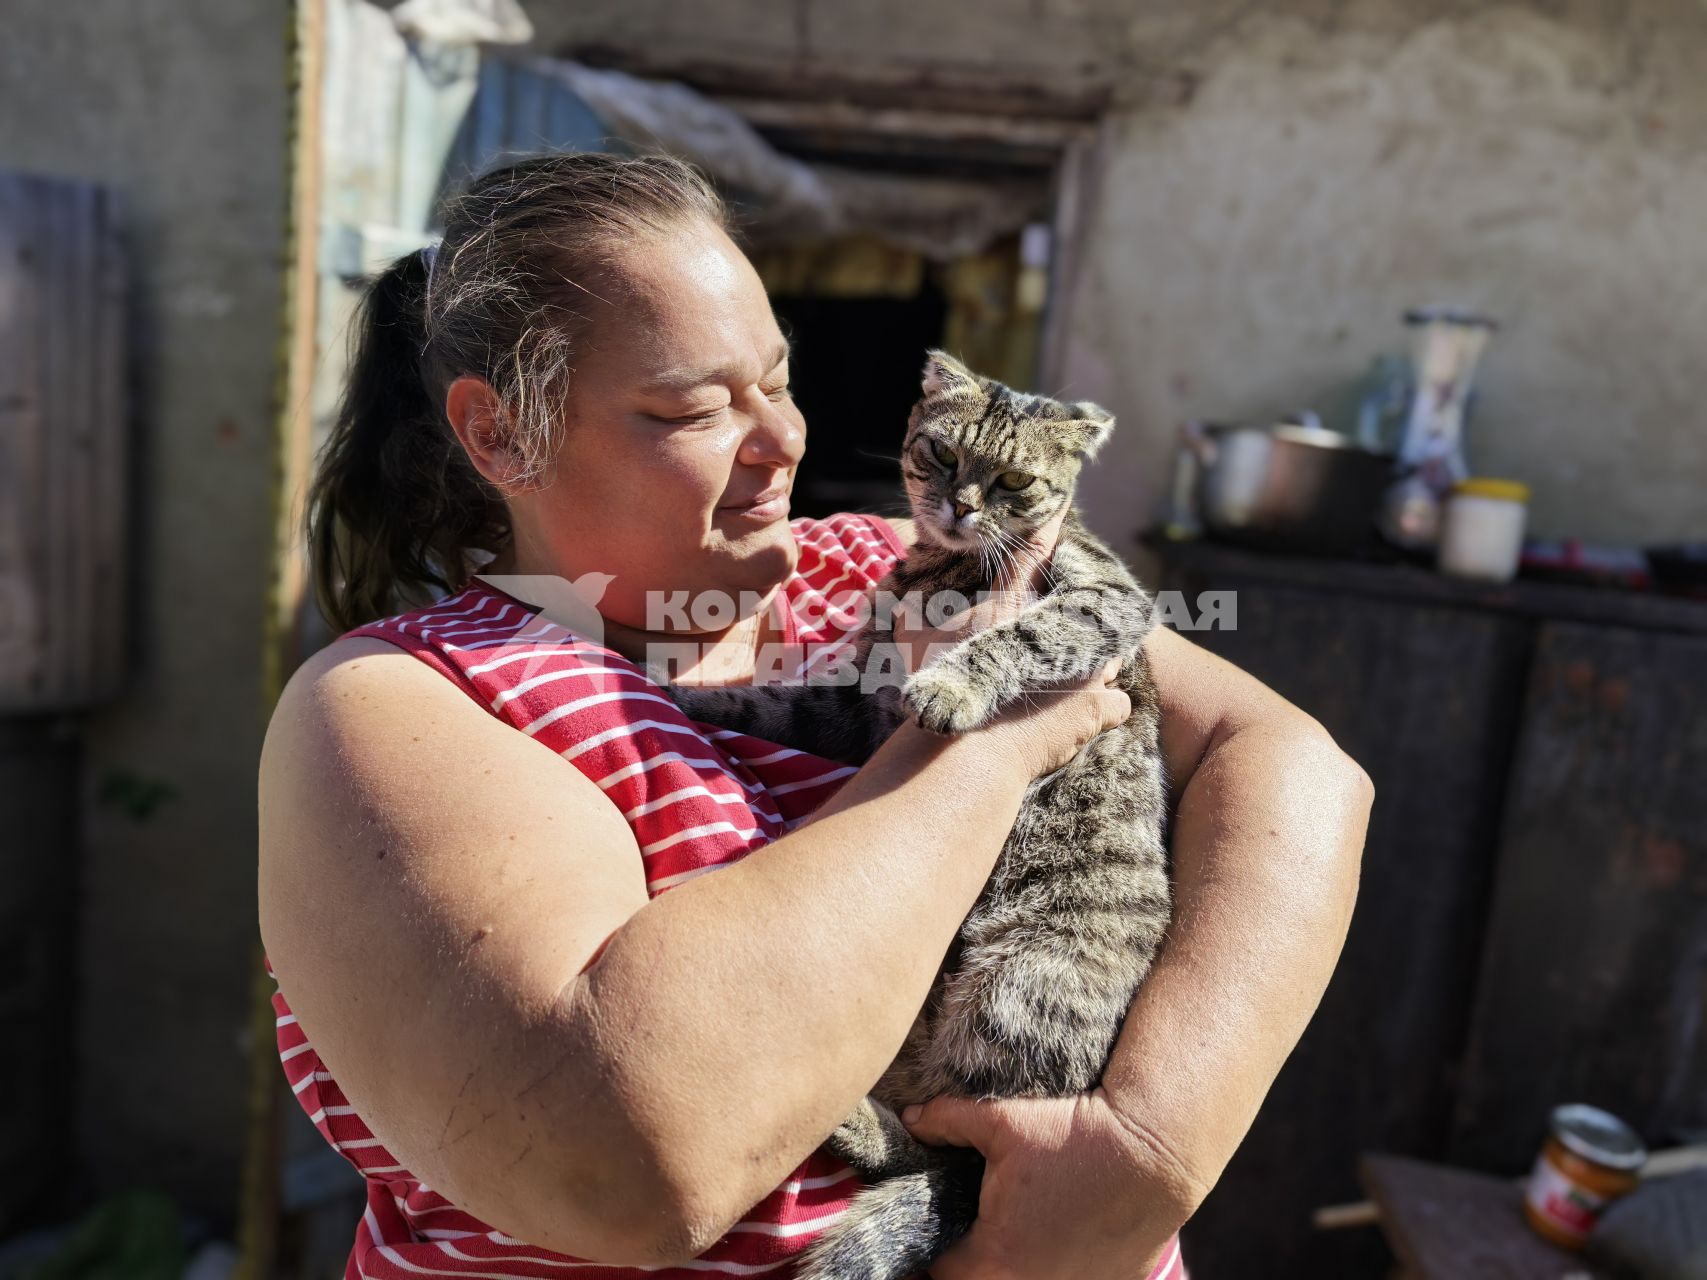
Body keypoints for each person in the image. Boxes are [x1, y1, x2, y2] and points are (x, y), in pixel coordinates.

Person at [257, 153, 1372, 1280]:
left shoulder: (892, 562)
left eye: (778, 381)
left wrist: (1142, 1152)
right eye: (691, 407)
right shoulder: (404, 705)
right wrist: (985, 742)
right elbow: (633, 1162)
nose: (781, 439)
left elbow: (1290, 764)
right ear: (500, 434)